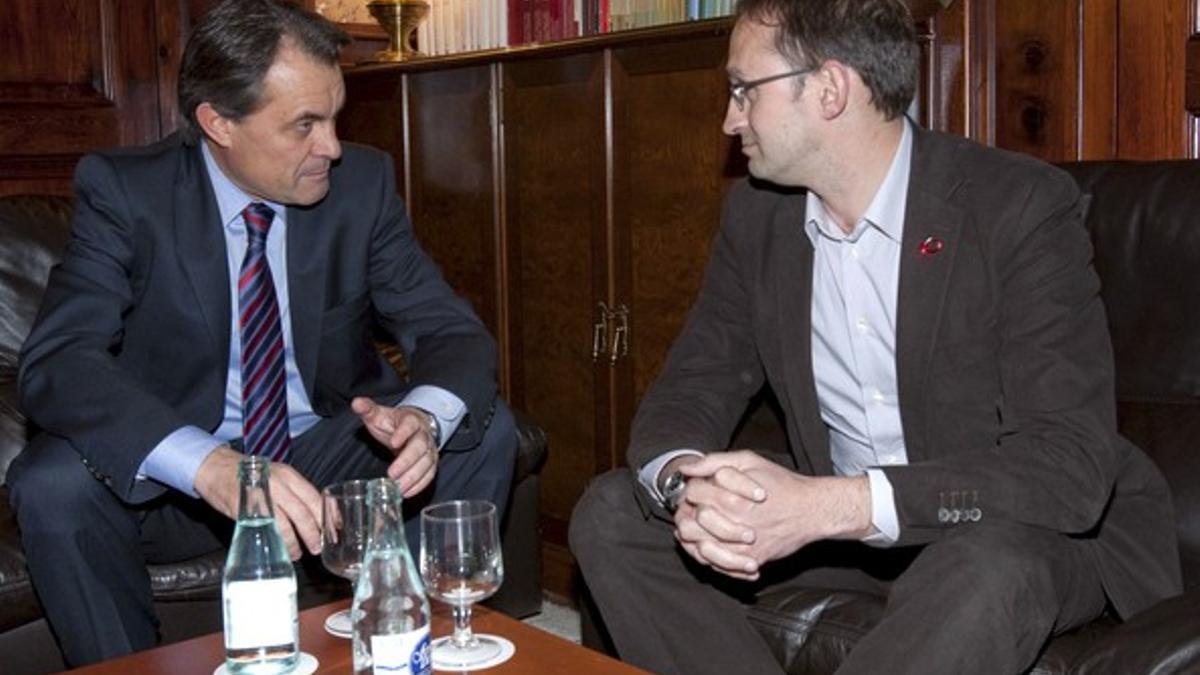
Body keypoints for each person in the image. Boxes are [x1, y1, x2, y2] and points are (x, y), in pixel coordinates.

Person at [568, 1, 1181, 673]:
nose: (729, 118)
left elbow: (1067, 467)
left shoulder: (1019, 207)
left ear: (830, 88)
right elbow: (693, 383)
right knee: (612, 512)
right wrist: (692, 488)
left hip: (1017, 530)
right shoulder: (758, 218)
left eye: (745, 90)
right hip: (851, 542)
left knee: (985, 563)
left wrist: (830, 506)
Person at [8, 0, 516, 667]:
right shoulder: (128, 194)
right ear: (217, 123)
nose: (331, 146)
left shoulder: (360, 185)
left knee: (480, 426)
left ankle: (401, 648)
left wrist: (424, 417)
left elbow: (451, 331)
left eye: (334, 116)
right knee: (51, 482)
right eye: (304, 124)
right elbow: (59, 360)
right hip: (178, 484)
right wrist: (211, 465)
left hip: (317, 460)